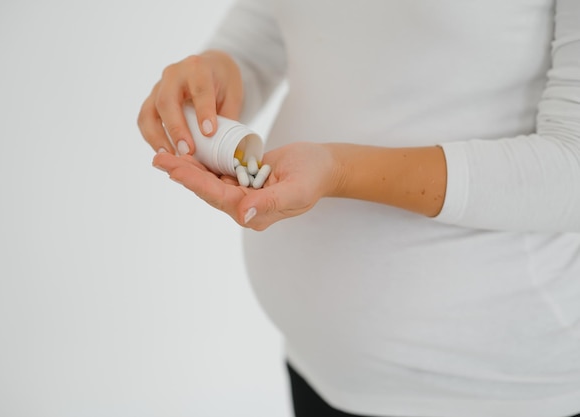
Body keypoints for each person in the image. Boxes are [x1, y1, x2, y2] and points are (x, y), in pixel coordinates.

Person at [137, 1, 580, 416]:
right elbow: (274, 19)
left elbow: (572, 166)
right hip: (318, 368)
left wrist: (340, 171)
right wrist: (224, 71)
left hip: (488, 389)